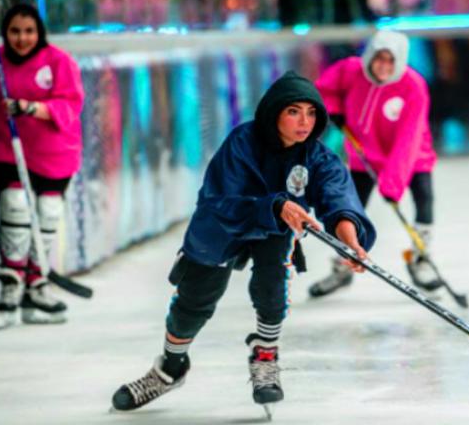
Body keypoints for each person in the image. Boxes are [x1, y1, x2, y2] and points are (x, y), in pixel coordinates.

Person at [111, 71, 376, 411]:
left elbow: (338, 199)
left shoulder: (317, 157)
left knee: (272, 286)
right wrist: (276, 206)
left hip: (274, 228)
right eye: (294, 111)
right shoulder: (241, 143)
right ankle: (170, 369)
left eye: (311, 113)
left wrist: (349, 242)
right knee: (194, 299)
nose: (304, 122)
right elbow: (223, 200)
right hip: (224, 225)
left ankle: (265, 354)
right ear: (274, 112)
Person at [308, 30, 440, 297]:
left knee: (424, 201)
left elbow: (408, 139)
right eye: (379, 58)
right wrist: (333, 109)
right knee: (349, 210)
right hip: (364, 154)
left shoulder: (413, 85)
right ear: (370, 56)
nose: (384, 66)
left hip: (412, 156)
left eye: (391, 61)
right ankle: (342, 264)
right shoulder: (350, 70)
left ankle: (420, 258)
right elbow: (324, 89)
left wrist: (392, 183)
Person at [0, 3, 85, 326]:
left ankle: (36, 287)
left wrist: (29, 108)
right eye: (14, 31)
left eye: (29, 31)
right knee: (14, 206)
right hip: (8, 148)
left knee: (48, 210)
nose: (22, 38)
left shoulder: (59, 60)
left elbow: (71, 102)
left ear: (39, 32)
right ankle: (10, 292)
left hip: (54, 151)